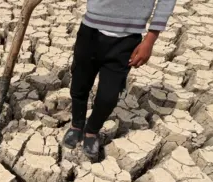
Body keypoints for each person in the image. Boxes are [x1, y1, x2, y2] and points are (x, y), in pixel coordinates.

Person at [62, 0, 177, 159]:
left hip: (127, 41)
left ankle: (91, 131)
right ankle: (76, 125)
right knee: (79, 86)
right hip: (90, 31)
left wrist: (150, 39)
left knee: (108, 97)